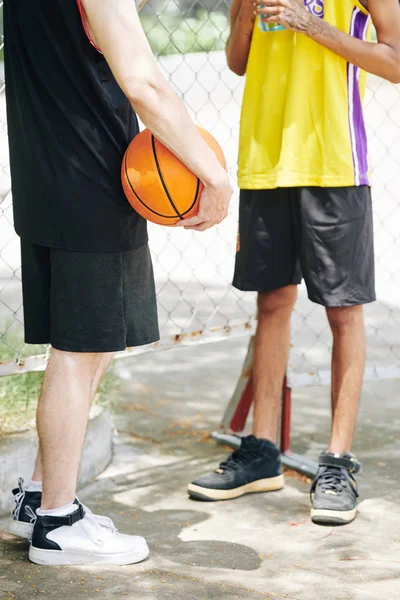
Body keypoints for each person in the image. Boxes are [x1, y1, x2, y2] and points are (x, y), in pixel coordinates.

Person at [5, 0, 232, 566]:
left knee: (90, 345)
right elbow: (144, 82)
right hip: (90, 184)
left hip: (48, 179)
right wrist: (212, 172)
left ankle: (38, 497)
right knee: (80, 352)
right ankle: (57, 523)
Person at [188, 0, 400, 525]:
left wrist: (312, 25)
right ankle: (262, 453)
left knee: (343, 310)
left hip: (334, 162)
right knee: (272, 302)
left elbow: (395, 61)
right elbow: (239, 61)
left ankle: (337, 462)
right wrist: (241, 12)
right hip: (265, 161)